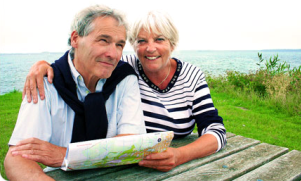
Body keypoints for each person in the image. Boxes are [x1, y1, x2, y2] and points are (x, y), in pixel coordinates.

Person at [22, 11, 227, 172]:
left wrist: (179, 155)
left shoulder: (191, 76)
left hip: (175, 167)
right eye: (141, 41)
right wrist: (46, 66)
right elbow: (85, 57)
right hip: (128, 166)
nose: (150, 48)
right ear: (133, 46)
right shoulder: (125, 68)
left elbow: (215, 131)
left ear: (172, 44)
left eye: (160, 39)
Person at [4, 5, 146, 181]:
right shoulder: (46, 82)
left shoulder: (124, 78)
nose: (113, 54)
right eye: (103, 40)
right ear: (75, 39)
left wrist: (66, 155)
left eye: (119, 45)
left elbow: (133, 145)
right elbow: (17, 157)